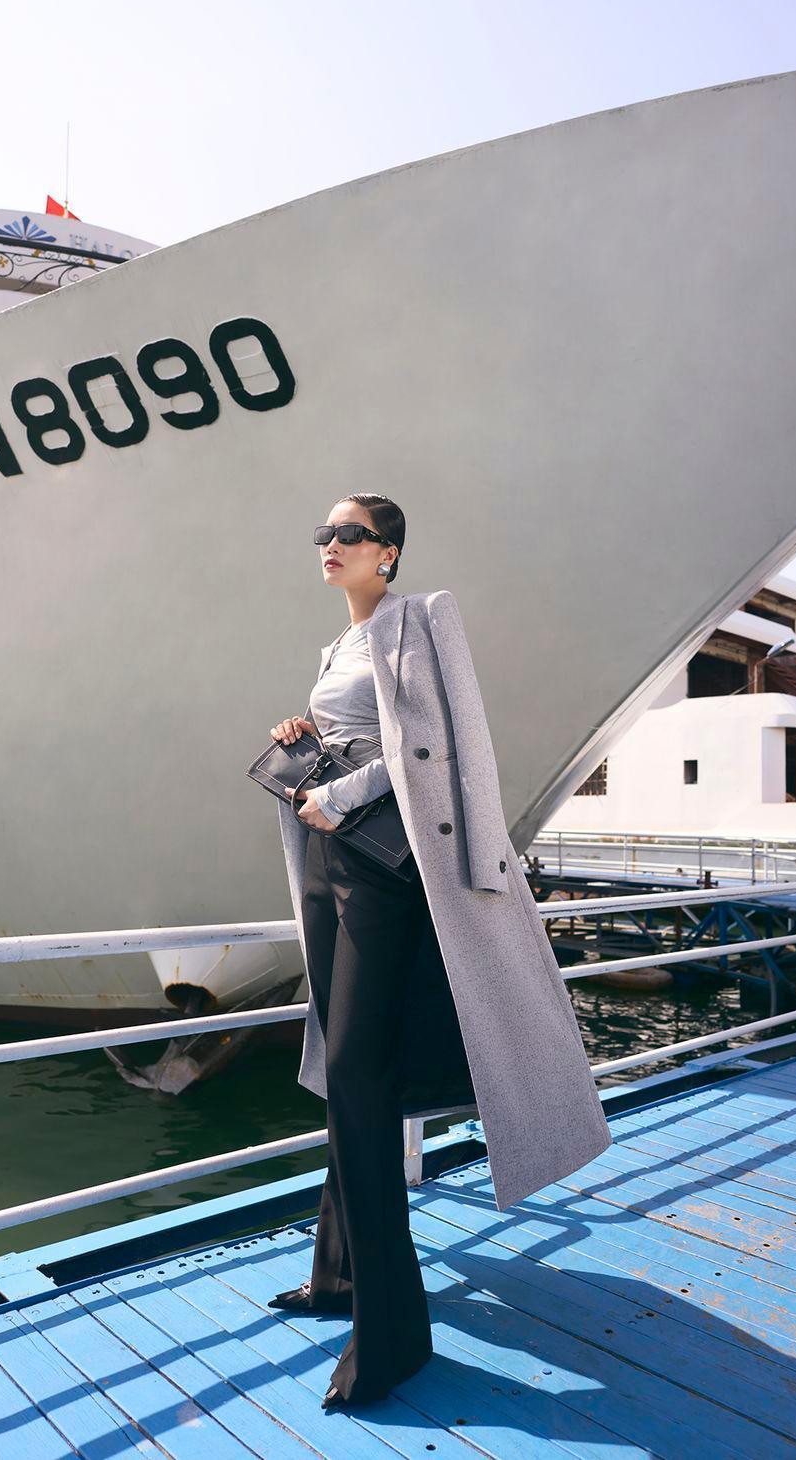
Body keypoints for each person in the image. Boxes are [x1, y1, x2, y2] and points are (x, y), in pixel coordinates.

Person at [265, 492, 474, 1410]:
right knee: (343, 1068)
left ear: (387, 550)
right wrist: (307, 738)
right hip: (327, 859)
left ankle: (393, 1336)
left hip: (382, 868)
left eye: (347, 533)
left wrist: (339, 796)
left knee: (357, 1072)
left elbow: (430, 747)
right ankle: (339, 1276)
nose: (330, 543)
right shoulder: (340, 644)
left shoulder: (414, 622)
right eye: (325, 533)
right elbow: (365, 735)